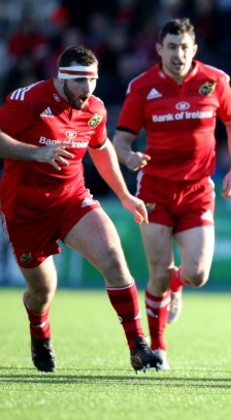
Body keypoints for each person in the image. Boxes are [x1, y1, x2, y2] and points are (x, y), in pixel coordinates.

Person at [0, 45, 162, 373]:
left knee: (114, 259)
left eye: (93, 80)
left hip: (72, 200)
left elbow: (100, 151)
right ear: (61, 79)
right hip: (26, 210)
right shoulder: (28, 100)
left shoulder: (95, 109)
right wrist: (35, 153)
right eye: (80, 81)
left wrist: (126, 195)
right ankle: (40, 334)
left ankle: (138, 347)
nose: (88, 89)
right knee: (43, 291)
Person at [112, 18, 231, 370]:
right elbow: (121, 138)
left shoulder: (215, 81)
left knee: (198, 274)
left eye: (185, 46)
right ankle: (157, 350)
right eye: (171, 46)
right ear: (159, 49)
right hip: (155, 189)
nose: (178, 53)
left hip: (198, 190)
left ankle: (178, 283)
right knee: (157, 271)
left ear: (194, 50)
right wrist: (128, 156)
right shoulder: (142, 87)